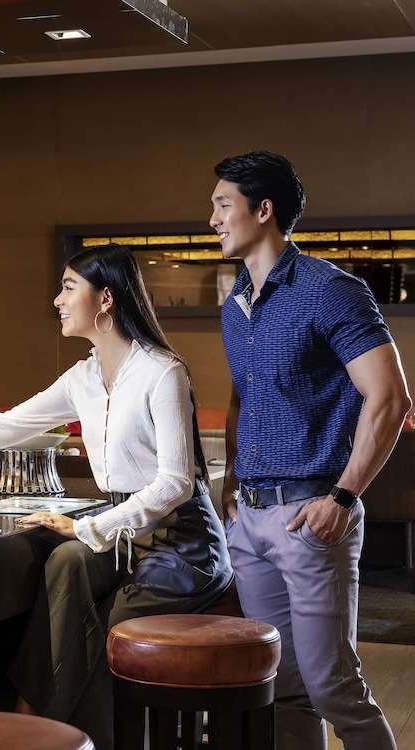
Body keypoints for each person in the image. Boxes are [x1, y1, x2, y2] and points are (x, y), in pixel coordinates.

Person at [0, 243, 232, 749]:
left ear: (105, 299)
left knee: (111, 629)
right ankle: (34, 724)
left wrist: (88, 526)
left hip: (182, 541)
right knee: (65, 564)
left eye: (68, 287)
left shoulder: (162, 371)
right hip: (125, 534)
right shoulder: (83, 377)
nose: (57, 299)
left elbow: (176, 483)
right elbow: (6, 428)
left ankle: (69, 734)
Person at [212, 150, 411, 750]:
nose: (213, 220)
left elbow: (390, 398)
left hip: (312, 517)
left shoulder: (331, 291)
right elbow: (243, 398)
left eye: (223, 205)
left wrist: (343, 498)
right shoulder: (235, 306)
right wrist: (231, 484)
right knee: (283, 690)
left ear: (263, 210)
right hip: (250, 520)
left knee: (333, 687)